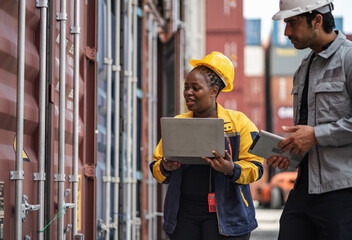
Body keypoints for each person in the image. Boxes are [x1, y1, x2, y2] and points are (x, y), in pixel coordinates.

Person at [149, 51, 264, 240]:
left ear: (214, 92)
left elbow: (256, 168)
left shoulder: (240, 123)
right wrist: (165, 167)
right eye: (186, 87)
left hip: (228, 220)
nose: (188, 93)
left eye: (196, 88)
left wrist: (231, 169)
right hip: (184, 219)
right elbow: (156, 169)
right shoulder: (177, 123)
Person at [268, 0, 352, 239]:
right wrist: (290, 153)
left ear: (317, 20)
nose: (286, 32)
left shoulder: (349, 60)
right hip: (304, 187)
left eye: (292, 23)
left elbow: (313, 134)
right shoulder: (303, 68)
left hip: (343, 191)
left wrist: (316, 135)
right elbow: (306, 131)